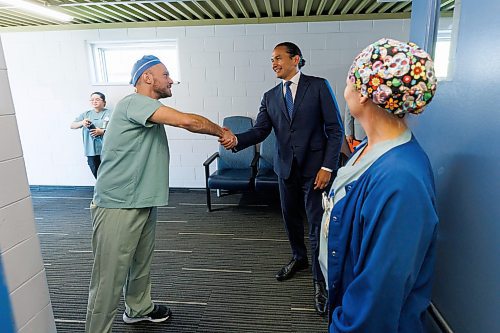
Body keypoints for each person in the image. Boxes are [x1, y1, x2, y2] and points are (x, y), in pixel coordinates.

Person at [85, 55, 232, 333]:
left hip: (141, 200)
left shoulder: (148, 107)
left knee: (140, 262)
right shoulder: (134, 102)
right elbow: (187, 121)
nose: (170, 79)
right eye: (165, 75)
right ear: (147, 78)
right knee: (108, 278)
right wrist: (221, 132)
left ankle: (138, 309)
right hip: (118, 205)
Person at [319, 38, 439, 332]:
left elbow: (377, 299)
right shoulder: (368, 147)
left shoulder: (401, 180)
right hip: (346, 294)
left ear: (363, 93)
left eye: (351, 75)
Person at [220, 42, 343, 316]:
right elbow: (260, 130)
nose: (273, 63)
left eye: (278, 58)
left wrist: (328, 167)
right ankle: (299, 258)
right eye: (271, 59)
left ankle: (319, 281)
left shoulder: (319, 86)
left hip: (315, 170)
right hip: (285, 169)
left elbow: (335, 130)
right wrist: (236, 140)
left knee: (315, 223)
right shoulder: (270, 96)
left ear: (295, 59)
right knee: (290, 219)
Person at [70, 92, 111, 178]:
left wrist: (103, 132)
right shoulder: (86, 114)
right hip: (91, 150)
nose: (94, 101)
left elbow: (117, 129)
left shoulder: (111, 113)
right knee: (96, 172)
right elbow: (72, 125)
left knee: (109, 172)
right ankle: (101, 190)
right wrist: (82, 122)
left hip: (107, 149)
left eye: (97, 99)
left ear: (104, 102)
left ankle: (111, 190)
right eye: (92, 100)